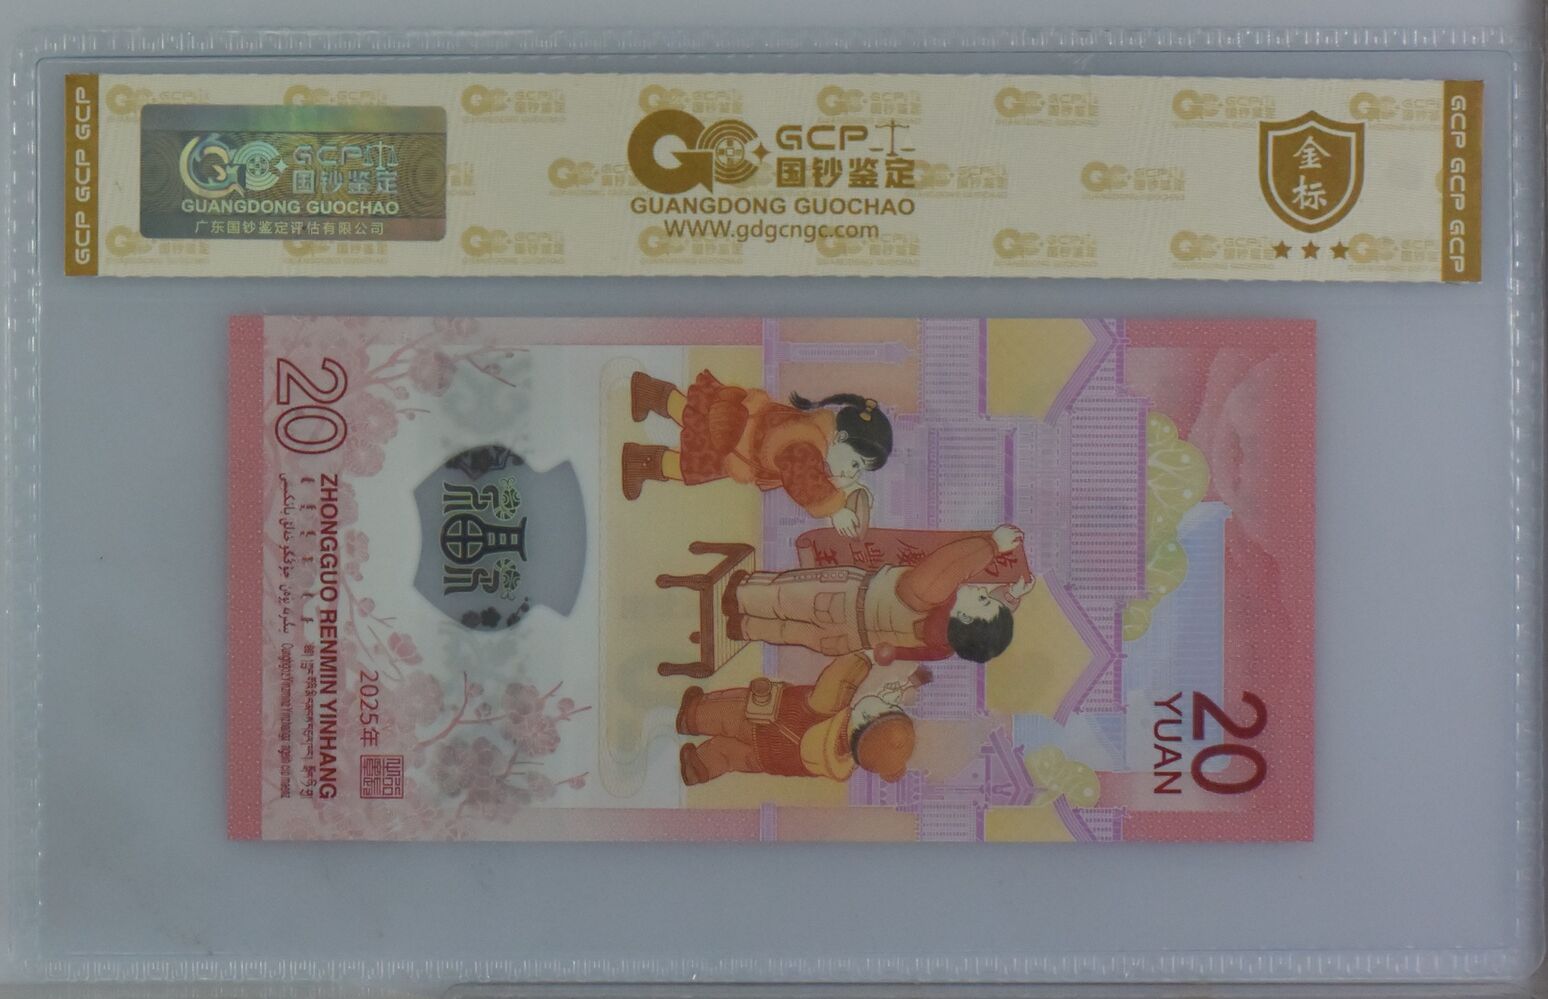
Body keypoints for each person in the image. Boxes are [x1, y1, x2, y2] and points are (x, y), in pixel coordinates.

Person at [622, 371, 893, 538]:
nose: (852, 472)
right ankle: (638, 460)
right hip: (736, 443)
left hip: (741, 423)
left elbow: (817, 473)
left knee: (692, 412)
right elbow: (804, 482)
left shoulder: (818, 432)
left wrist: (850, 488)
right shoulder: (806, 447)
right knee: (688, 466)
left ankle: (648, 391)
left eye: (860, 470)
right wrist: (834, 510)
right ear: (841, 438)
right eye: (855, 463)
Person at [724, 525, 1035, 664]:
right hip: (846, 640)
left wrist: (992, 545)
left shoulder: (930, 594)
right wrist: (1009, 596)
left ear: (964, 616)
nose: (981, 590)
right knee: (789, 632)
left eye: (983, 599)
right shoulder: (944, 646)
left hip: (841, 600)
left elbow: (950, 565)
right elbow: (978, 629)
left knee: (784, 597)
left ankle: (739, 595)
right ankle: (746, 628)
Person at [676, 652, 929, 785]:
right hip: (768, 760)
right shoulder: (837, 760)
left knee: (730, 712)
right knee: (730, 756)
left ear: (866, 718)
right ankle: (699, 767)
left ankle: (692, 716)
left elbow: (841, 677)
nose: (887, 702)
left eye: (886, 708)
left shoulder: (830, 707)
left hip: (762, 721)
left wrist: (864, 658)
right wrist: (911, 683)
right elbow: (885, 697)